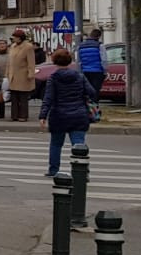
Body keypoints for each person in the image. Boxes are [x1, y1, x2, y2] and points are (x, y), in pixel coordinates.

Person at [40, 48, 98, 177]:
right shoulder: (80, 76)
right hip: (79, 115)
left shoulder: (53, 78)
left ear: (54, 61)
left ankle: (53, 170)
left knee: (56, 144)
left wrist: (43, 115)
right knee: (78, 145)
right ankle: (82, 171)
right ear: (69, 61)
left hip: (59, 115)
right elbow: (92, 93)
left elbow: (48, 98)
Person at [7, 30, 38, 121]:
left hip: (23, 75)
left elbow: (31, 62)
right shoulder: (13, 46)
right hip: (13, 75)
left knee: (23, 97)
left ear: (20, 38)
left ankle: (23, 115)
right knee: (14, 97)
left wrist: (31, 74)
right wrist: (7, 74)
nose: (13, 39)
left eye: (15, 37)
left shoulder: (28, 47)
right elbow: (10, 62)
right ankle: (14, 115)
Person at [77, 28, 106, 97]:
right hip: (97, 71)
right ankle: (94, 106)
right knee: (95, 90)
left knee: (86, 90)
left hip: (85, 71)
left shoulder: (80, 46)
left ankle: (87, 105)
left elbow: (79, 60)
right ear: (99, 36)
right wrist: (105, 71)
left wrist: (80, 71)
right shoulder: (100, 45)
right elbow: (104, 60)